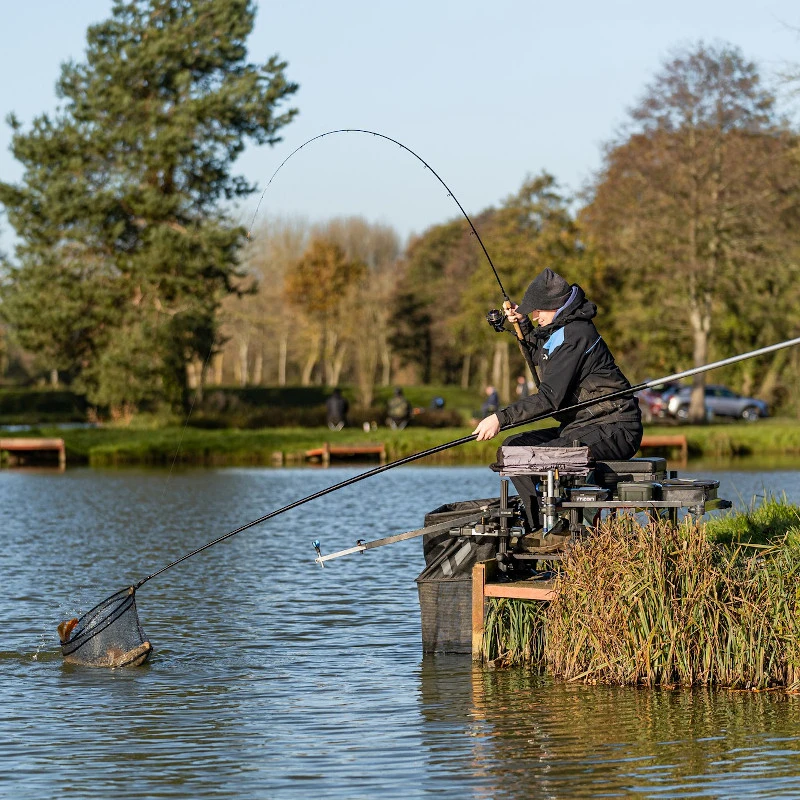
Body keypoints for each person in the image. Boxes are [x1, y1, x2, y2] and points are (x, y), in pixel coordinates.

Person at [472, 267, 643, 529]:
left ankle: (551, 529)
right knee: (513, 449)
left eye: (538, 310)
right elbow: (541, 355)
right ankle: (537, 526)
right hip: (581, 426)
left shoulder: (577, 334)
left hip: (615, 427)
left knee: (535, 457)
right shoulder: (560, 331)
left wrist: (499, 418)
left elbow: (549, 399)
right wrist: (524, 324)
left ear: (556, 306)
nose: (535, 315)